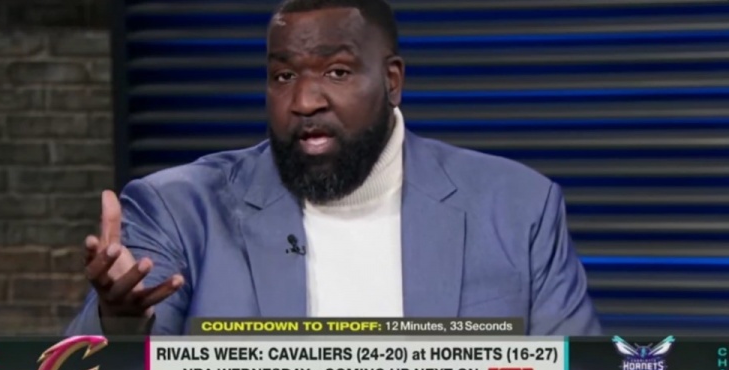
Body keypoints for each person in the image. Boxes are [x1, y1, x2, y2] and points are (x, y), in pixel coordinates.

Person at [67, 0, 602, 336]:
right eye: (283, 77)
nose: (304, 101)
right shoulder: (179, 211)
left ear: (392, 81)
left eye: (337, 72)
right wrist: (119, 326)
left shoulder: (517, 207)